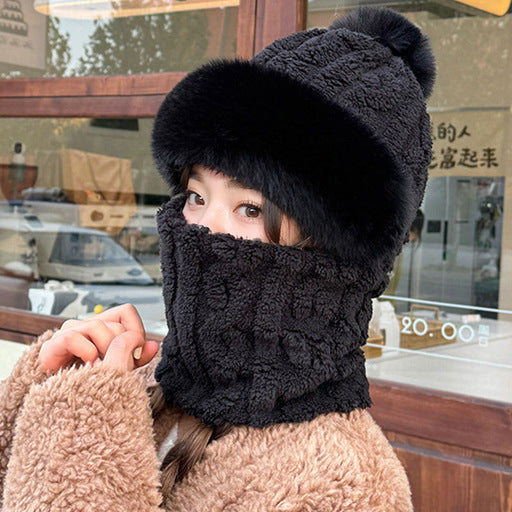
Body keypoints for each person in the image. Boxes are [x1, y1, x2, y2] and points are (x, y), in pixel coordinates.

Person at [0, 7, 435, 511]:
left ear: (332, 249)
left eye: (250, 207)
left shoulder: (342, 486)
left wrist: (81, 432)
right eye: (196, 195)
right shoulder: (136, 380)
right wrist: (43, 386)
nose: (200, 228)